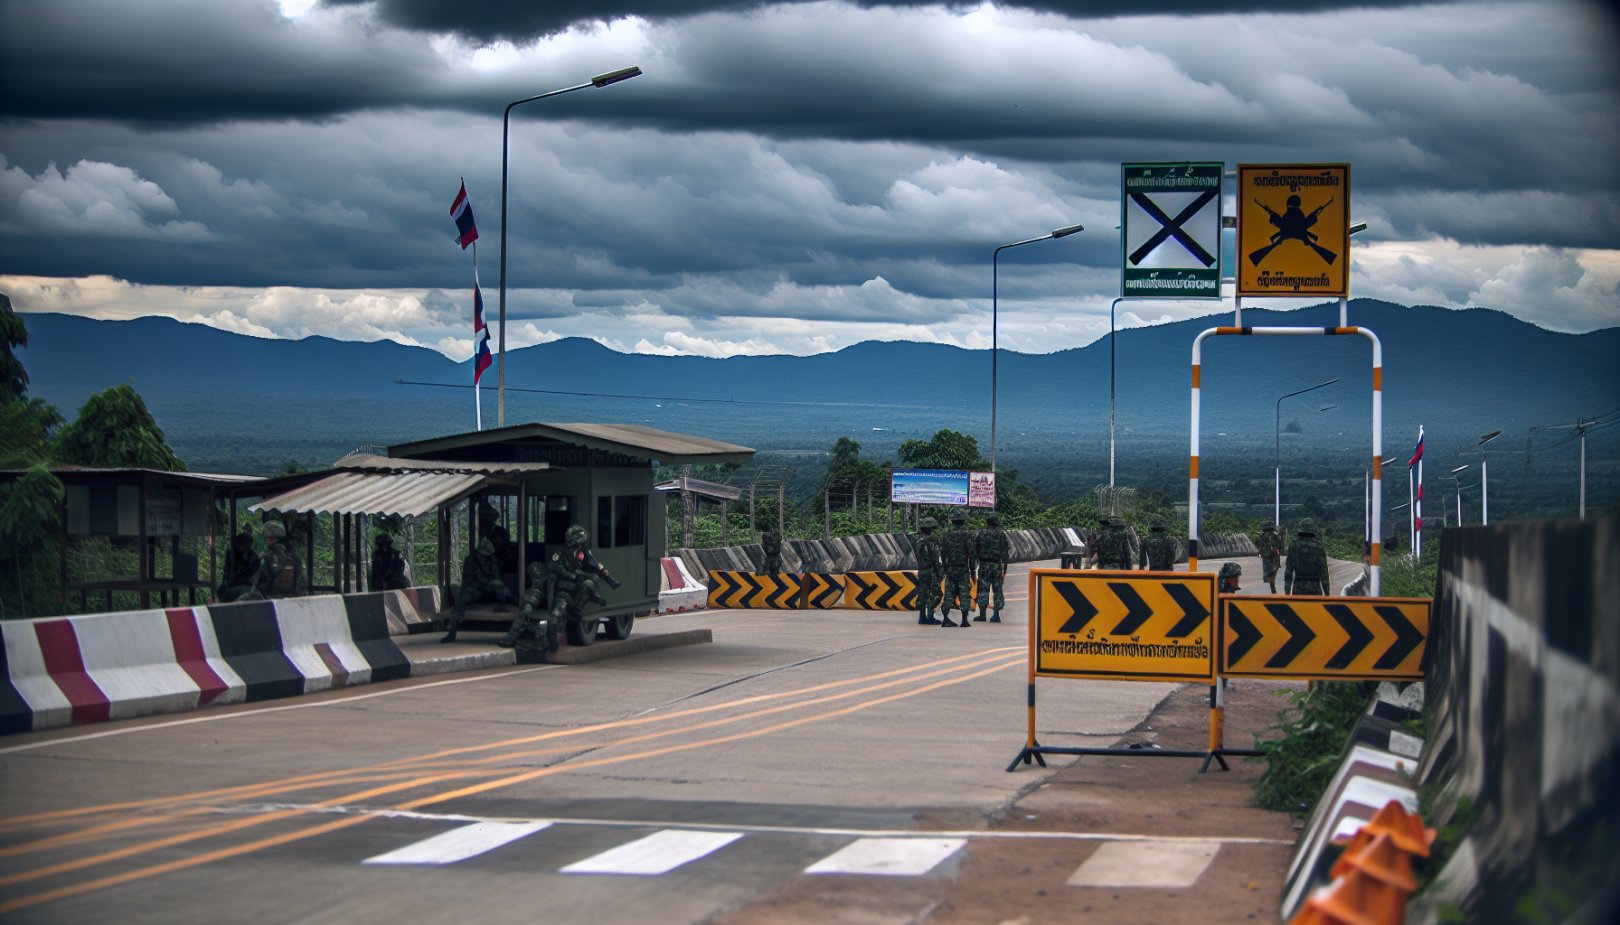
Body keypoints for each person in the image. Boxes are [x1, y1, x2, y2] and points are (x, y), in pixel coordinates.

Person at [443, 537, 512, 643]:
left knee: (501, 587)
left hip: (489, 588)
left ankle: (502, 605)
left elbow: (496, 575)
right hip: (474, 589)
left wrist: (493, 583)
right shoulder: (471, 560)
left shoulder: (491, 559)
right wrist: (486, 583)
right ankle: (452, 632)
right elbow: (470, 578)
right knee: (459, 603)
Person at [248, 520, 303, 600]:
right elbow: (300, 583)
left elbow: (256, 582)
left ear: (268, 537)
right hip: (290, 602)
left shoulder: (266, 557)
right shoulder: (294, 557)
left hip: (269, 603)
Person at [939, 510, 975, 628]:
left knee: (949, 594)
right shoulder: (966, 534)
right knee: (964, 594)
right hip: (963, 569)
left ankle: (945, 619)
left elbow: (943, 553)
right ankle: (964, 621)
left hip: (950, 569)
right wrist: (973, 572)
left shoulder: (947, 534)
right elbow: (971, 555)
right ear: (963, 520)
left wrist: (945, 569)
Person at [973, 513, 1008, 622]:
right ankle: (996, 615)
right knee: (997, 590)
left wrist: (973, 568)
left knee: (983, 589)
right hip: (996, 565)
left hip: (984, 564)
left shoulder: (980, 534)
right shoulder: (1001, 534)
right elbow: (1005, 554)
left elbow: (975, 550)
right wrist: (1004, 570)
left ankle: (982, 615)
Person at [1284, 518, 1330, 595]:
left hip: (1298, 588)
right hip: (1315, 588)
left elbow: (1288, 571)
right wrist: (1327, 593)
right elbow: (1324, 572)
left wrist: (1287, 593)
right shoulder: (1318, 546)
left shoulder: (1294, 545)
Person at [912, 516, 942, 625]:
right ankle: (930, 617)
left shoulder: (916, 540)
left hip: (922, 570)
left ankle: (922, 617)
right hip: (931, 570)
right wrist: (939, 572)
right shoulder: (930, 541)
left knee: (923, 594)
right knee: (935, 594)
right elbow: (934, 558)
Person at [217, 532, 260, 602]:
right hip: (233, 584)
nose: (239, 546)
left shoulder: (253, 558)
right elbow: (228, 570)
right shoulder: (232, 553)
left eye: (242, 544)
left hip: (245, 586)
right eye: (238, 544)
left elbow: (250, 576)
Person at [1257, 523, 1283, 593]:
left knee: (1266, 568)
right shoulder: (1275, 535)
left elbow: (1260, 545)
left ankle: (1267, 580)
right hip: (1274, 555)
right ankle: (1272, 582)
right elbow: (1279, 545)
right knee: (1273, 569)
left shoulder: (1262, 535)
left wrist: (1261, 553)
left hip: (1265, 555)